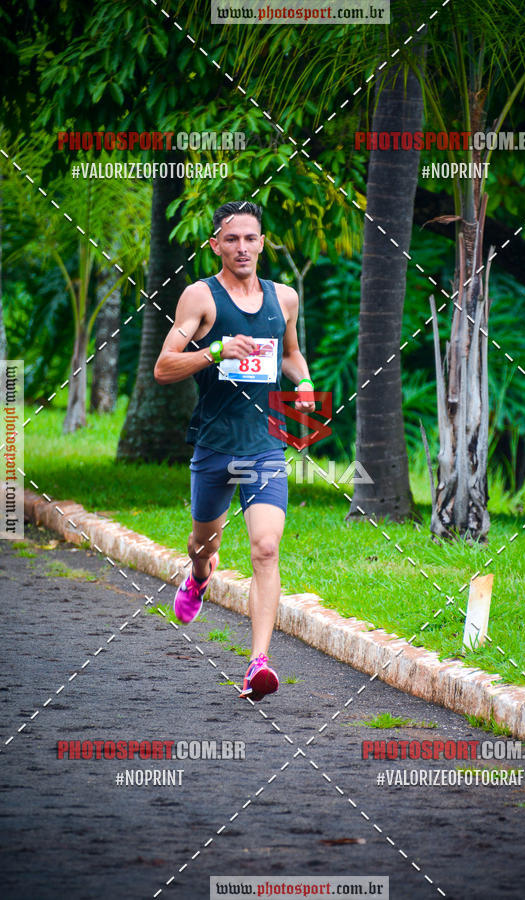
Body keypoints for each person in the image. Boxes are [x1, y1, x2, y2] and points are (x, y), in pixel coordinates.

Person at [153, 200, 315, 701]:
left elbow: (289, 353)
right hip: (214, 445)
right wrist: (217, 350)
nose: (242, 247)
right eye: (231, 239)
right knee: (204, 546)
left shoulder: (283, 298)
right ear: (215, 245)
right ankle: (199, 578)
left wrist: (305, 382)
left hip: (265, 445)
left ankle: (258, 664)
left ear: (263, 242)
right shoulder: (199, 298)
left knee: (266, 548)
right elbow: (163, 366)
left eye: (251, 238)